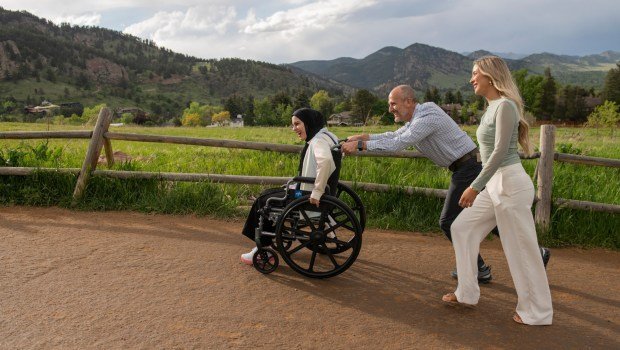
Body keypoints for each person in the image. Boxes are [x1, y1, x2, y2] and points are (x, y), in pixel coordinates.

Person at [441, 56, 553, 325]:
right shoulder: (491, 107)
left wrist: (474, 187)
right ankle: (466, 292)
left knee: (521, 250)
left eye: (475, 73)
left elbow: (501, 152)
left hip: (510, 185)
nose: (471, 79)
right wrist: (483, 186)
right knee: (461, 228)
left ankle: (537, 312)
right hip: (495, 185)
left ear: (491, 76)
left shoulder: (505, 106)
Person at [240, 108, 339, 264]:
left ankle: (262, 248)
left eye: (297, 124)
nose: (294, 129)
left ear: (308, 123)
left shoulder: (317, 141)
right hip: (322, 193)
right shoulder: (328, 136)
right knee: (269, 193)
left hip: (307, 198)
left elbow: (325, 161)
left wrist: (317, 192)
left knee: (264, 201)